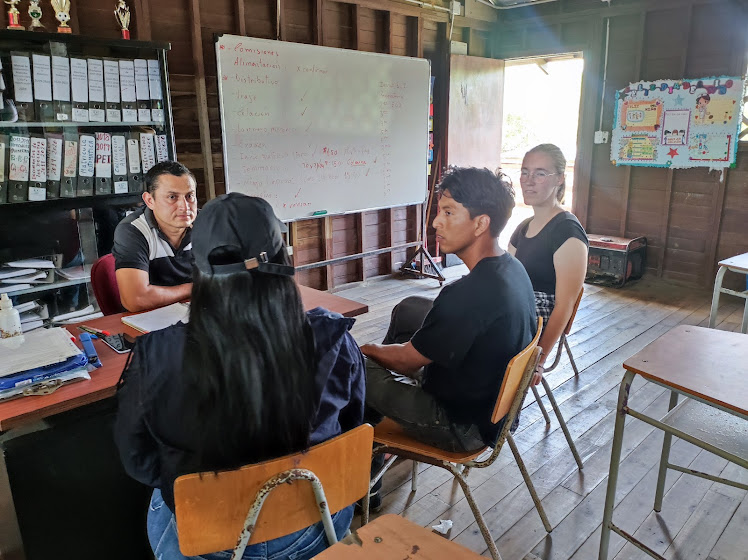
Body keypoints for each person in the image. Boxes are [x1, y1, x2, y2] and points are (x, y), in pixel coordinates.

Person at [114, 193, 366, 560]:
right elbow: (352, 423)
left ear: (198, 273)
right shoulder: (334, 338)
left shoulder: (157, 355)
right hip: (315, 523)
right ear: (284, 261)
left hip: (209, 540)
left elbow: (139, 459)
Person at [362, 167, 537, 462]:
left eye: (448, 212)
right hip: (489, 409)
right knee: (410, 309)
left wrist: (365, 349)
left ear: (480, 224)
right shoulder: (512, 268)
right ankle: (373, 434)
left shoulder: (467, 294)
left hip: (459, 426)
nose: (435, 222)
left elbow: (406, 361)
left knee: (351, 364)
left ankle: (365, 458)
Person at [508, 143, 588, 388]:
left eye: (540, 173)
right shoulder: (523, 227)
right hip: (511, 314)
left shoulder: (567, 232)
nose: (528, 181)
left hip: (531, 328)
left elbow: (564, 305)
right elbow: (505, 277)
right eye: (525, 172)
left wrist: (538, 360)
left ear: (559, 179)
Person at [112, 161, 197, 312]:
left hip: (199, 312)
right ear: (150, 201)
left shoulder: (208, 224)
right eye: (172, 197)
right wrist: (195, 288)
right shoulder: (133, 230)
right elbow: (135, 299)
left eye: (189, 196)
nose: (185, 207)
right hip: (151, 317)